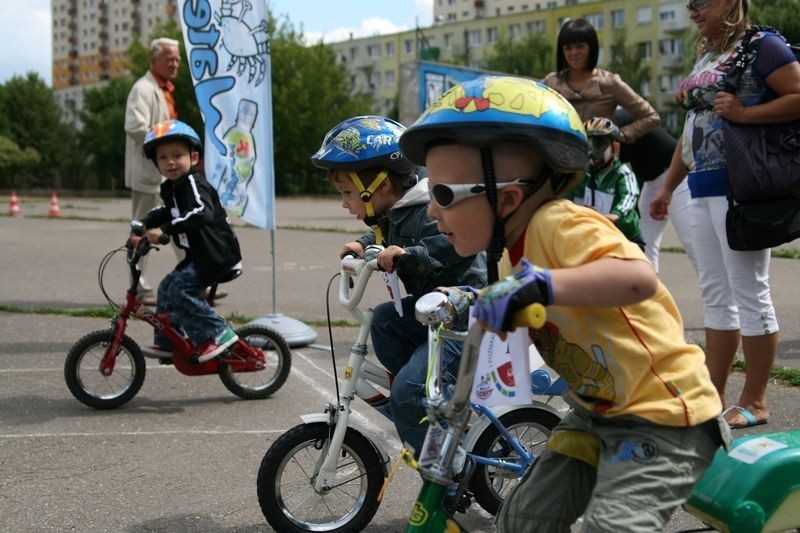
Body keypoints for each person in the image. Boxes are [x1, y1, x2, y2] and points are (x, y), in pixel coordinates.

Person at [399, 75, 728, 531]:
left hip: (664, 417)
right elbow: (517, 298)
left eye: (441, 194)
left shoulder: (559, 223)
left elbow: (637, 277)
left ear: (509, 197)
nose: (431, 212)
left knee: (611, 528)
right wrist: (472, 299)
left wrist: (540, 287)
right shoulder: (507, 254)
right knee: (521, 521)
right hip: (594, 414)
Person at [650, 0, 800, 429]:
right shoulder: (708, 54)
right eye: (689, 3)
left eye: (702, 1)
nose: (692, 9)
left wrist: (746, 113)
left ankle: (755, 401)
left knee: (750, 292)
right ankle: (712, 397)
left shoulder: (762, 45)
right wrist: (668, 187)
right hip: (702, 187)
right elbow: (692, 128)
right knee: (716, 296)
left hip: (742, 190)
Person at [311, 115, 486, 455]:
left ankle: (445, 469)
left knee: (407, 389)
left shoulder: (432, 207)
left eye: (347, 193)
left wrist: (409, 254)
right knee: (385, 319)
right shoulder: (397, 208)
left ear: (380, 186)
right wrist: (363, 244)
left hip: (466, 318)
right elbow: (386, 231)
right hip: (436, 315)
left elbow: (452, 248)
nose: (344, 203)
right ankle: (424, 395)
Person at [140, 120, 242, 361]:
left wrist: (165, 229)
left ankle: (218, 333)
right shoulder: (172, 188)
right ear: (156, 163)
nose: (170, 162)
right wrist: (144, 225)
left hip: (216, 255)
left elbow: (201, 212)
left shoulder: (194, 184)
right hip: (198, 255)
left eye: (177, 155)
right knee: (166, 288)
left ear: (194, 157)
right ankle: (168, 342)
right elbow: (168, 211)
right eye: (163, 158)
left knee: (181, 291)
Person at [124, 38, 181, 302]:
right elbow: (136, 127)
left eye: (177, 58)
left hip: (166, 172)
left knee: (182, 222)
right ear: (154, 61)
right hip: (150, 174)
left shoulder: (164, 90)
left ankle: (196, 279)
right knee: (143, 229)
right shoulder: (143, 89)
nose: (175, 63)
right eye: (169, 58)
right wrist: (166, 147)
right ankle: (139, 287)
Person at [543, 17, 660, 142]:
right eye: (568, 48)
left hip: (597, 158)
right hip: (557, 158)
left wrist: (621, 134)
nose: (574, 52)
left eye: (580, 46)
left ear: (592, 47)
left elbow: (651, 117)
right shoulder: (550, 83)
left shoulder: (610, 84)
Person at [613, 107, 697, 273]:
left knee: (692, 241)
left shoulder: (616, 121)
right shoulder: (607, 120)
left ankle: (717, 292)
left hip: (676, 177)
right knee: (643, 239)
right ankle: (650, 291)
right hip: (652, 182)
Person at [563, 116, 644, 247]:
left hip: (624, 238)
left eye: (600, 144)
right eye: (589, 145)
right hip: (595, 235)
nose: (594, 152)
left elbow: (629, 196)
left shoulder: (623, 174)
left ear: (615, 148)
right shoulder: (583, 173)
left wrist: (615, 215)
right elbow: (566, 194)